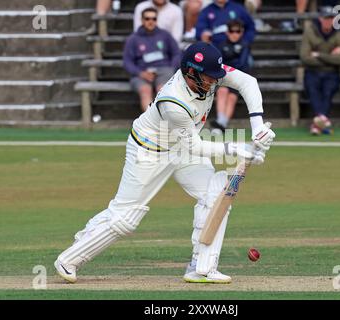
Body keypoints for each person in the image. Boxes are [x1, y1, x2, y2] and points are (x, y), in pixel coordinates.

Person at [54, 41, 276, 284]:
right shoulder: (173, 101)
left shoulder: (207, 77)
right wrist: (239, 148)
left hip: (182, 147)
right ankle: (69, 259)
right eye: (209, 77)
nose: (214, 82)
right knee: (125, 219)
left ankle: (201, 268)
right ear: (191, 73)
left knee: (216, 195)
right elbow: (196, 146)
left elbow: (248, 82)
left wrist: (257, 129)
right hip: (149, 151)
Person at [300, 6, 340, 135]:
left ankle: (317, 124)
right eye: (326, 18)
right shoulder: (310, 31)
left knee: (328, 91)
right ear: (320, 19)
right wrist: (331, 57)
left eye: (331, 18)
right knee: (313, 90)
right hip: (313, 71)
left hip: (332, 72)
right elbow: (305, 57)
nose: (328, 21)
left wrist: (319, 55)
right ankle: (323, 122)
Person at [123, 7, 181, 112]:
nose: (150, 21)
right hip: (142, 72)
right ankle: (150, 125)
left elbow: (176, 53)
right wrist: (140, 73)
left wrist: (171, 68)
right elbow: (127, 61)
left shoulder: (165, 35)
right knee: (145, 90)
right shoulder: (133, 39)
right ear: (142, 20)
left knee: (163, 92)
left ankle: (164, 126)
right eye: (147, 18)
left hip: (164, 70)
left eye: (154, 19)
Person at [211, 19, 251, 134]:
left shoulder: (244, 45)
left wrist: (229, 66)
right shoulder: (221, 45)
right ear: (227, 32)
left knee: (232, 97)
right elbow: (218, 62)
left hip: (239, 77)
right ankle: (220, 122)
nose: (234, 34)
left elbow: (242, 63)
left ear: (241, 32)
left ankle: (222, 124)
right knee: (222, 91)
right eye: (232, 31)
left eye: (237, 31)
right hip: (224, 76)